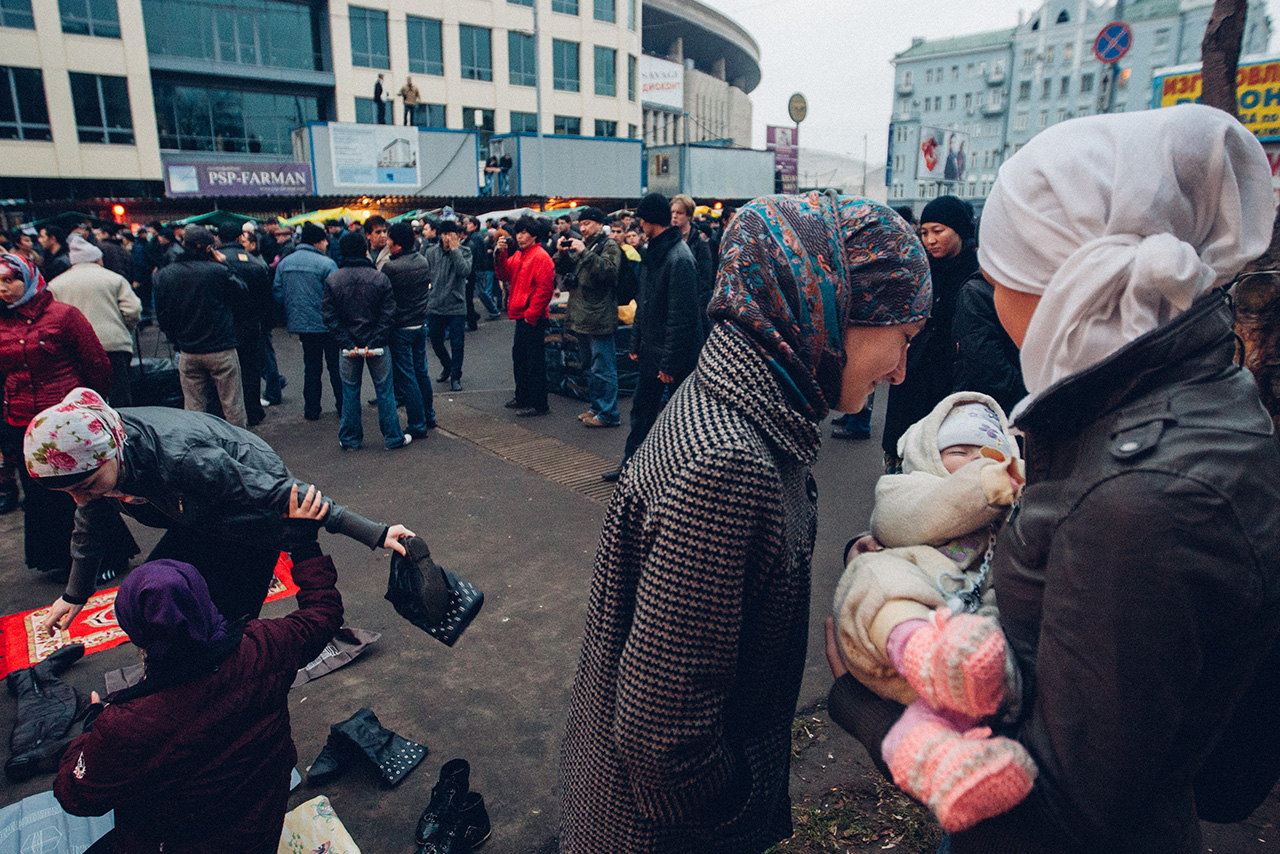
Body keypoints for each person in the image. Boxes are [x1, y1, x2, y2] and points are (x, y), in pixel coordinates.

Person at [828, 104, 1280, 853]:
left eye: (1001, 271)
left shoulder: (1139, 499)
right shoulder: (1186, 393)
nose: (992, 292)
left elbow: (1069, 811)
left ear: (1059, 281)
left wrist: (854, 690)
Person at [560, 191, 931, 854]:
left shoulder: (742, 407)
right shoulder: (729, 462)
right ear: (831, 310)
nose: (901, 368)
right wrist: (740, 810)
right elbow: (661, 741)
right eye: (901, 338)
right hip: (667, 837)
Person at [54, 496, 342, 854]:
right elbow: (323, 612)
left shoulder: (126, 725)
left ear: (133, 632)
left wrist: (91, 729)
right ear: (206, 600)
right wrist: (303, 541)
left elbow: (75, 796)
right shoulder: (264, 648)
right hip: (260, 827)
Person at [25, 386, 414, 635]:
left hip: (250, 512)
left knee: (227, 627)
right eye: (71, 492)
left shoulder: (181, 458)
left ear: (111, 449)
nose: (81, 498)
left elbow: (286, 493)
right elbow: (88, 523)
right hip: (193, 515)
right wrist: (75, 595)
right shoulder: (103, 456)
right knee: (151, 598)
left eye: (87, 486)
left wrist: (376, 533)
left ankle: (231, 691)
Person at [831, 393, 1032, 833]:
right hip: (901, 646)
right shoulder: (906, 487)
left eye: (990, 454)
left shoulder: (1013, 519)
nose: (975, 462)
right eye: (959, 452)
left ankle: (946, 766)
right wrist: (983, 484)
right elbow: (907, 520)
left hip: (968, 668)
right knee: (876, 574)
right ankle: (922, 647)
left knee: (987, 639)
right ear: (929, 453)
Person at [1, 254, 119, 579]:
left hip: (66, 419)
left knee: (85, 489)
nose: (4, 288)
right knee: (39, 493)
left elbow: (96, 363)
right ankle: (55, 558)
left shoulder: (63, 315)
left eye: (10, 279)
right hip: (21, 418)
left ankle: (104, 557)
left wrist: (89, 408)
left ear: (28, 278)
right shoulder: (2, 321)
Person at [601, 193, 702, 482]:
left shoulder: (679, 257)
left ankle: (682, 477)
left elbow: (681, 317)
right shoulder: (654, 252)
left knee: (680, 419)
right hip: (651, 350)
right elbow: (643, 303)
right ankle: (632, 466)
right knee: (642, 413)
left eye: (640, 219)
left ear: (646, 221)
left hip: (673, 356)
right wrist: (635, 343)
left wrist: (669, 365)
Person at [881, 196, 976, 471]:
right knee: (903, 445)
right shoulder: (919, 269)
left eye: (938, 231)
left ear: (958, 230)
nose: (930, 239)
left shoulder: (977, 275)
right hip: (913, 372)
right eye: (924, 232)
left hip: (951, 379)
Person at [153, 226, 248, 429]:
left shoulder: (165, 274)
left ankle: (199, 445)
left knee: (194, 406)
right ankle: (241, 444)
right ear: (208, 249)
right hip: (220, 347)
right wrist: (226, 265)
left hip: (188, 348)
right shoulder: (217, 271)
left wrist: (175, 339)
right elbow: (242, 293)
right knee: (232, 404)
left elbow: (162, 315)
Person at [322, 231, 407, 451]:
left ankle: (350, 439)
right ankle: (393, 437)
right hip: (377, 344)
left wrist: (348, 342)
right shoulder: (379, 278)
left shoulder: (334, 279)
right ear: (364, 249)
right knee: (384, 390)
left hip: (348, 346)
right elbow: (389, 312)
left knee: (349, 391)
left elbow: (329, 315)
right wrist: (376, 339)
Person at [47, 234, 141, 408]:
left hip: (75, 350)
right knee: (120, 396)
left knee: (84, 399)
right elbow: (133, 310)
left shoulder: (55, 284)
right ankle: (122, 429)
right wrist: (125, 327)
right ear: (97, 259)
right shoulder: (114, 279)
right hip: (113, 344)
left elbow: (51, 319)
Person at [553, 206, 622, 428]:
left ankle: (609, 413)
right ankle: (596, 407)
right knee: (589, 366)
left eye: (587, 224)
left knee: (603, 367)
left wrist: (584, 252)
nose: (583, 228)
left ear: (600, 225)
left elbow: (608, 272)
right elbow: (565, 270)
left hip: (599, 316)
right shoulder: (587, 245)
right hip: (581, 314)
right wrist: (561, 253)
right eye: (580, 224)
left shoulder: (608, 245)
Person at [275, 223, 341, 421]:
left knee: (311, 368)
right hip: (327, 324)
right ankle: (343, 407)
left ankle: (312, 410)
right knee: (335, 367)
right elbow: (337, 294)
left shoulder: (285, 263)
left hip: (302, 324)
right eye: (324, 241)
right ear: (318, 241)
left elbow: (278, 293)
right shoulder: (327, 264)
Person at [495, 216, 555, 416]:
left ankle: (539, 403)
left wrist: (531, 314)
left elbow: (545, 289)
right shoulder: (521, 255)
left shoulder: (540, 256)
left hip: (532, 316)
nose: (519, 236)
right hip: (523, 314)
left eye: (524, 232)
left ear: (534, 235)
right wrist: (500, 255)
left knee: (534, 361)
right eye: (518, 232)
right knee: (520, 358)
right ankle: (523, 396)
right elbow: (504, 274)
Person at [381, 221, 435, 438]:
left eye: (389, 241)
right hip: (420, 323)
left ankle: (417, 424)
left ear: (398, 245)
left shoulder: (391, 267)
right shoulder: (422, 260)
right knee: (421, 372)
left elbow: (385, 297)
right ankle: (429, 416)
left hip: (401, 327)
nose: (387, 244)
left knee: (407, 377)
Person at [215, 222, 272, 427]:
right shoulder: (255, 262)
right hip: (250, 324)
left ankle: (226, 415)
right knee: (250, 369)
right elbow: (266, 298)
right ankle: (253, 410)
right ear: (241, 237)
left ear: (219, 238)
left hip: (223, 326)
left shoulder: (215, 263)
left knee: (224, 374)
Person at [424, 220, 472, 392]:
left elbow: (464, 271)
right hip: (436, 304)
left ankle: (456, 376)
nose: (447, 238)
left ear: (457, 236)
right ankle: (448, 365)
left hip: (456, 305)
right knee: (436, 341)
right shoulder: (430, 252)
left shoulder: (465, 252)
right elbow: (426, 276)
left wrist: (454, 251)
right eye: (444, 234)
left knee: (458, 343)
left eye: (450, 234)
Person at [670, 194, 714, 338]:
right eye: (673, 212)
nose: (674, 216)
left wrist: (699, 312)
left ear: (689, 215)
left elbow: (705, 281)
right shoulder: (668, 240)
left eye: (679, 213)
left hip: (693, 309)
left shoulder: (700, 244)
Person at [465, 216, 500, 321]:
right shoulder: (477, 236)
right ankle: (494, 309)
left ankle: (494, 310)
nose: (467, 225)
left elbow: (478, 254)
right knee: (483, 290)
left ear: (475, 226)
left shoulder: (475, 237)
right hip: (480, 267)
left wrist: (476, 267)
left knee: (481, 291)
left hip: (478, 268)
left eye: (469, 223)